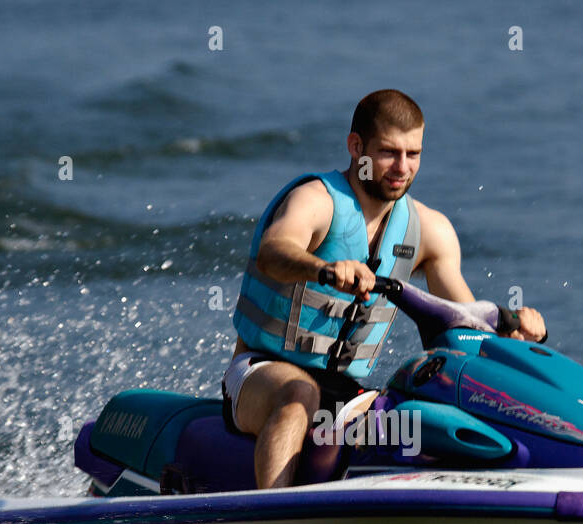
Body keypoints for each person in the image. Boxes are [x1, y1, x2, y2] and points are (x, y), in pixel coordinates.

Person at [224, 89, 547, 489]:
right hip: (259, 372)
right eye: (389, 153)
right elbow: (274, 252)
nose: (402, 167)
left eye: (414, 154)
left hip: (347, 392)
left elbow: (465, 324)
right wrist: (324, 269)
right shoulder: (316, 200)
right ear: (356, 147)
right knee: (298, 396)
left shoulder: (429, 230)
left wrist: (513, 337)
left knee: (423, 414)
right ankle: (275, 521)